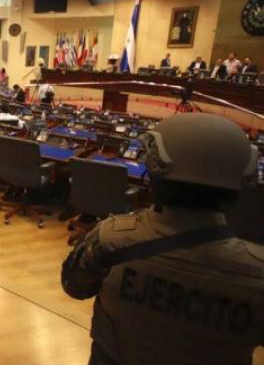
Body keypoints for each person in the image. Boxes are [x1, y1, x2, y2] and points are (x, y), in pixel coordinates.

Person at [61, 113, 263, 365]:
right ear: (237, 190)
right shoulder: (257, 273)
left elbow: (74, 286)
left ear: (156, 180)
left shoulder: (110, 239)